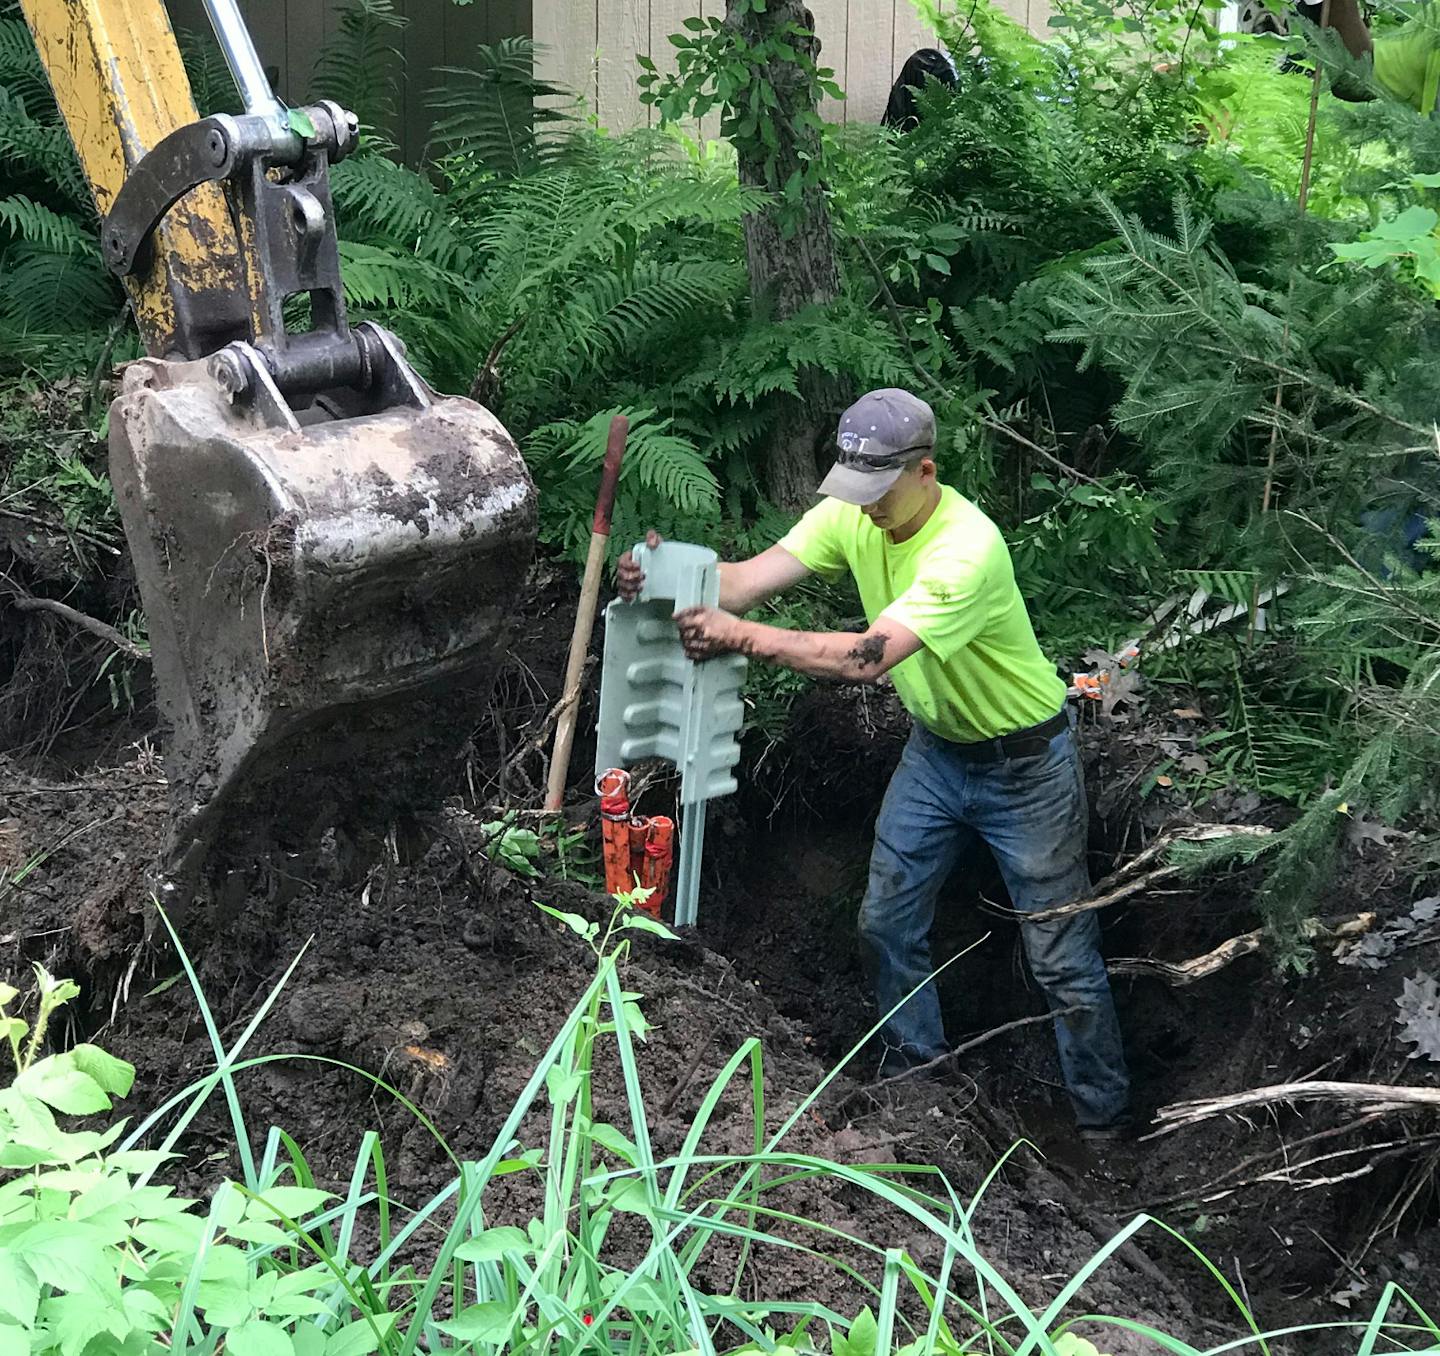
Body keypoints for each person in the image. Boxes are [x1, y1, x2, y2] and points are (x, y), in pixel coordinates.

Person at [616, 389, 1132, 1140]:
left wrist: (743, 637)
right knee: (886, 922)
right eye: (853, 491)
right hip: (937, 755)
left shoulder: (967, 549)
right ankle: (917, 1083)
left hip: (1026, 768)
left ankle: (1101, 1121)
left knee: (1059, 954)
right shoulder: (854, 510)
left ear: (926, 471)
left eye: (879, 493)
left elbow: (867, 658)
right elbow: (748, 579)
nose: (864, 510)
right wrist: (661, 574)